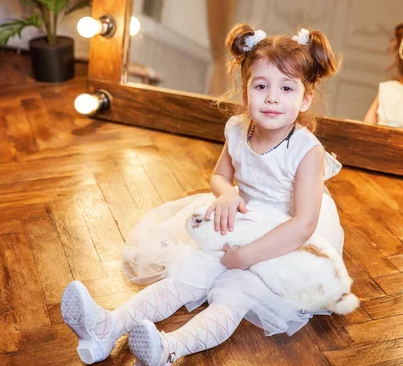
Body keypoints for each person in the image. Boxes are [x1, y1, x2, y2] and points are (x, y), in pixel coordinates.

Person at [60, 23, 345, 366]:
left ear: (306, 98)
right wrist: (225, 193)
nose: (272, 97)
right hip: (235, 218)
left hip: (280, 242)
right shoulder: (239, 130)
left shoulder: (307, 152)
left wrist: (248, 255)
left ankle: (168, 349)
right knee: (185, 276)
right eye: (261, 86)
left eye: (286, 88)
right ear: (245, 92)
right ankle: (107, 326)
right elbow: (220, 176)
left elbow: (303, 224)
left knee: (233, 295)